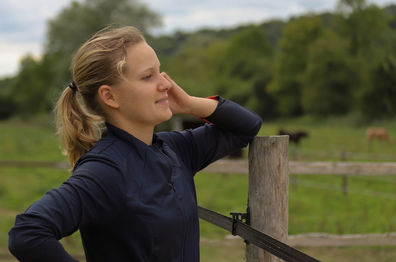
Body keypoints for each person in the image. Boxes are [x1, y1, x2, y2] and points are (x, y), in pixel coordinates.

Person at [8, 26, 262, 262]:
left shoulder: (176, 149)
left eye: (160, 71)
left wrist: (189, 104)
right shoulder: (105, 170)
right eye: (148, 76)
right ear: (110, 96)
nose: (166, 83)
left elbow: (246, 127)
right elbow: (27, 233)